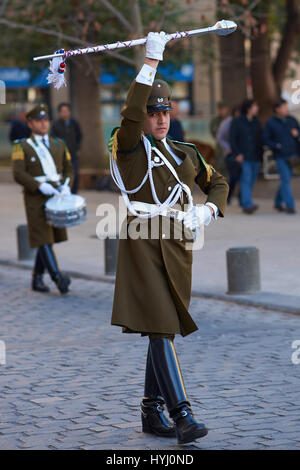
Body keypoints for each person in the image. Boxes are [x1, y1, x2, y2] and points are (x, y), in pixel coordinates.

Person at [109, 32, 229, 444]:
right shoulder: (129, 148)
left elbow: (219, 183)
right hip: (142, 245)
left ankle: (149, 409)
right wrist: (150, 62)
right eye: (153, 112)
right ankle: (182, 415)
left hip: (177, 247)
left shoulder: (186, 152)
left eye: (166, 112)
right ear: (143, 116)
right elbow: (128, 114)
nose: (160, 119)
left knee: (162, 326)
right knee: (161, 328)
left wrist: (209, 210)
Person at [11, 104, 74, 294]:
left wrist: (66, 185)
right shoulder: (21, 146)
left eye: (45, 120)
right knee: (43, 237)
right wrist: (38, 185)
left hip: (56, 195)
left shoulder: (59, 143)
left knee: (47, 237)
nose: (43, 123)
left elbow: (69, 168)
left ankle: (37, 278)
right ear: (30, 124)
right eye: (38, 120)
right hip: (35, 198)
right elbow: (18, 173)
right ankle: (57, 277)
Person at [263, 98, 299, 214]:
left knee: (286, 179)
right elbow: (265, 139)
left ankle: (278, 202)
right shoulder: (271, 123)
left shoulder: (292, 120)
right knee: (285, 179)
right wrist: (277, 146)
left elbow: (298, 133)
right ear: (277, 109)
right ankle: (290, 205)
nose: (286, 109)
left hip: (292, 155)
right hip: (280, 156)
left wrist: (297, 133)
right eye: (284, 107)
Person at [230, 99, 262, 214]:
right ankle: (247, 204)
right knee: (246, 179)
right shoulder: (237, 122)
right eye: (255, 106)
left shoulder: (256, 122)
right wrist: (237, 154)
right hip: (243, 156)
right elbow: (232, 139)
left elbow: (260, 139)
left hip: (256, 156)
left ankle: (245, 201)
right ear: (248, 108)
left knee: (252, 179)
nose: (257, 108)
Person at [51, 103, 82, 194]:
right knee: (63, 175)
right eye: (63, 111)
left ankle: (73, 193)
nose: (65, 113)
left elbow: (79, 136)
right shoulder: (56, 125)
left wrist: (76, 147)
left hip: (73, 155)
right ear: (59, 113)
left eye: (66, 111)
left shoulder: (74, 123)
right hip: (61, 156)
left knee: (75, 174)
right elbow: (53, 140)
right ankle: (63, 193)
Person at [217, 105, 241, 204]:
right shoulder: (227, 123)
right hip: (231, 154)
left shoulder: (242, 123)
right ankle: (228, 196)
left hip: (241, 154)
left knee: (242, 177)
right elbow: (220, 137)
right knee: (233, 177)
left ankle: (242, 198)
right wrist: (229, 148)